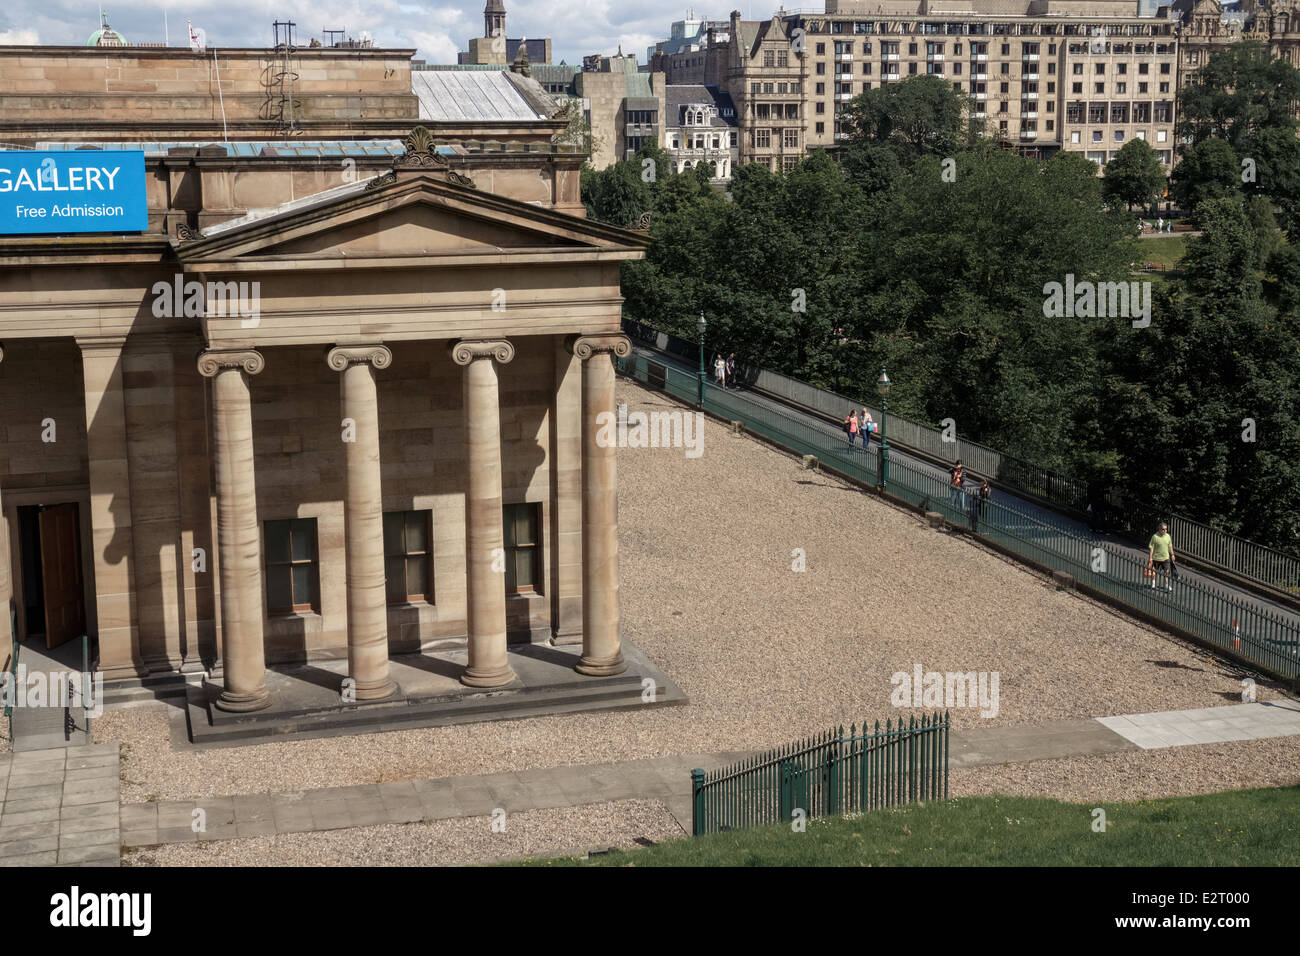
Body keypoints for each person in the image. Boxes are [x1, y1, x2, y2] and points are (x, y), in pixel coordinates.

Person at [1148, 521, 1175, 591]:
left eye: (1166, 529)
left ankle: (1166, 585)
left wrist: (1172, 554)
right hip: (1156, 558)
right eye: (1163, 529)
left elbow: (1170, 546)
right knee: (1154, 571)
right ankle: (1153, 583)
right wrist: (1150, 558)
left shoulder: (1168, 536)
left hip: (1166, 558)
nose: (1165, 530)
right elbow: (1151, 548)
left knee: (1167, 572)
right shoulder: (1155, 537)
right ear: (1159, 529)